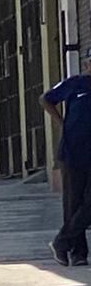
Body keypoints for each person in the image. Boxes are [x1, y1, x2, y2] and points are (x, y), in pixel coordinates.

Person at [44, 50, 91, 266]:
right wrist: (61, 122)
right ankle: (77, 253)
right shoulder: (75, 84)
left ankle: (61, 242)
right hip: (72, 152)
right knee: (73, 203)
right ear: (86, 65)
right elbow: (45, 99)